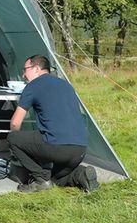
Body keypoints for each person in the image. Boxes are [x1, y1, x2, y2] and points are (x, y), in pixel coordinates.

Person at [6, 54, 99, 193]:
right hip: (80, 149)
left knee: (13, 139)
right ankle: (82, 174)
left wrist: (16, 149)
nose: (23, 75)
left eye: (25, 69)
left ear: (36, 68)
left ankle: (40, 179)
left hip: (57, 147)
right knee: (56, 179)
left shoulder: (33, 85)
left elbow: (15, 123)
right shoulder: (66, 85)